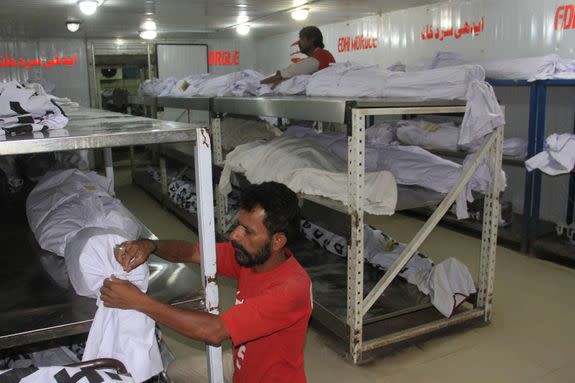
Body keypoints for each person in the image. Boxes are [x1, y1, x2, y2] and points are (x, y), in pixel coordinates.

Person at [100, 182, 312, 383]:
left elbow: (215, 331)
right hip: (242, 365)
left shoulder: (291, 289)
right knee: (174, 371)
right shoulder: (251, 257)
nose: (235, 235)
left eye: (248, 231)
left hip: (269, 377)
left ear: (277, 241)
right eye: (239, 225)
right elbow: (193, 252)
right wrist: (149, 246)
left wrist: (139, 302)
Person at [260, 25, 335, 89]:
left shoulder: (321, 55)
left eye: (302, 39)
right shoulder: (324, 54)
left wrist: (261, 83)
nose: (299, 42)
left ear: (312, 39)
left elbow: (293, 70)